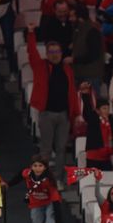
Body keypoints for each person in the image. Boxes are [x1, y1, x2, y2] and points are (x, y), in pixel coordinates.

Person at [27, 24, 79, 180]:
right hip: (47, 114)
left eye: (57, 52)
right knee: (46, 150)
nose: (55, 55)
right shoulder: (40, 66)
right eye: (51, 52)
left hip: (63, 115)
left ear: (61, 53)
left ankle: (57, 179)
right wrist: (31, 34)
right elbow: (32, 52)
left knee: (62, 148)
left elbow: (72, 92)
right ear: (47, 54)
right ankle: (42, 179)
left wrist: (75, 113)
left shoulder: (67, 69)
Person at [4, 155, 68, 223]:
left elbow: (56, 205)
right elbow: (18, 177)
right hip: (36, 204)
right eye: (35, 165)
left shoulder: (49, 181)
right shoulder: (27, 173)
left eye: (40, 166)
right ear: (31, 167)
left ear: (45, 167)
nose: (37, 168)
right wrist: (8, 184)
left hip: (50, 203)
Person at [79, 84, 113, 171]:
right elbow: (87, 110)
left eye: (108, 108)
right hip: (94, 158)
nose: (107, 111)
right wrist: (85, 94)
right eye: (104, 108)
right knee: (92, 180)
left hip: (107, 158)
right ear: (97, 110)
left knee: (109, 179)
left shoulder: (111, 120)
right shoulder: (93, 119)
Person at [71, 3, 106, 96]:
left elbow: (94, 54)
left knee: (92, 105)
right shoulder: (80, 30)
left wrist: (74, 59)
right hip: (82, 75)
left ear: (80, 18)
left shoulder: (92, 31)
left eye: (72, 16)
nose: (70, 19)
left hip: (90, 76)